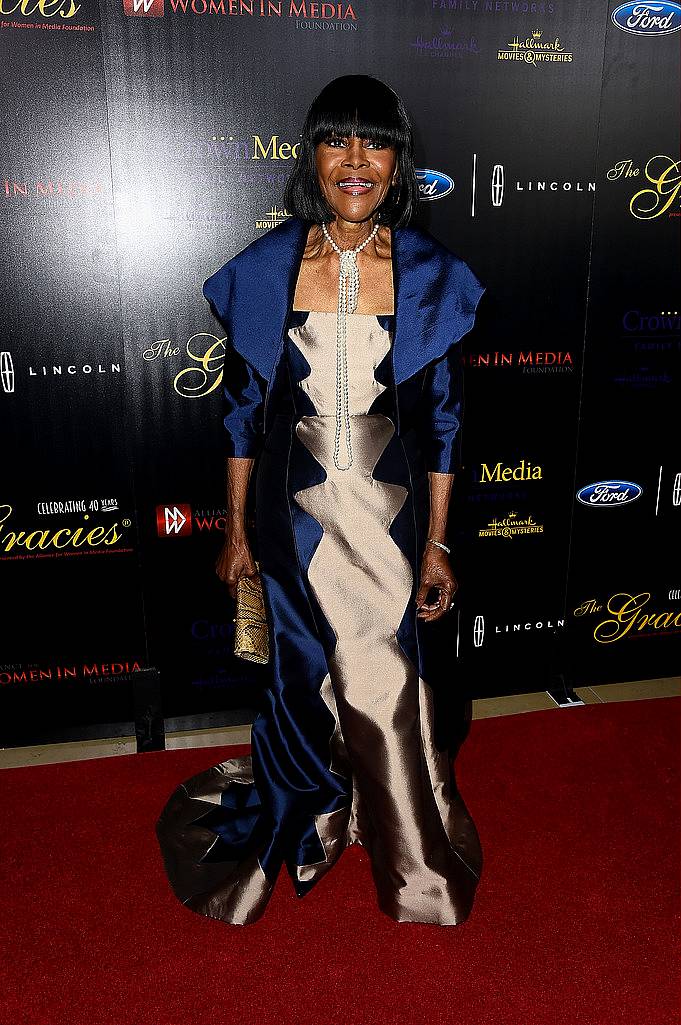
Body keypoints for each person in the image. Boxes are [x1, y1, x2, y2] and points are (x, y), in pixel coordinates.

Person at [156, 74, 486, 927]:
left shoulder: (433, 277)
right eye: (336, 140)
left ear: (396, 161)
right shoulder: (267, 268)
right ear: (311, 157)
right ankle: (311, 821)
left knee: (387, 686)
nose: (354, 160)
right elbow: (238, 415)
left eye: (372, 142)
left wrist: (438, 543)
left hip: (390, 521)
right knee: (301, 688)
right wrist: (232, 530)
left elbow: (444, 425)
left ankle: (410, 856)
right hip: (290, 517)